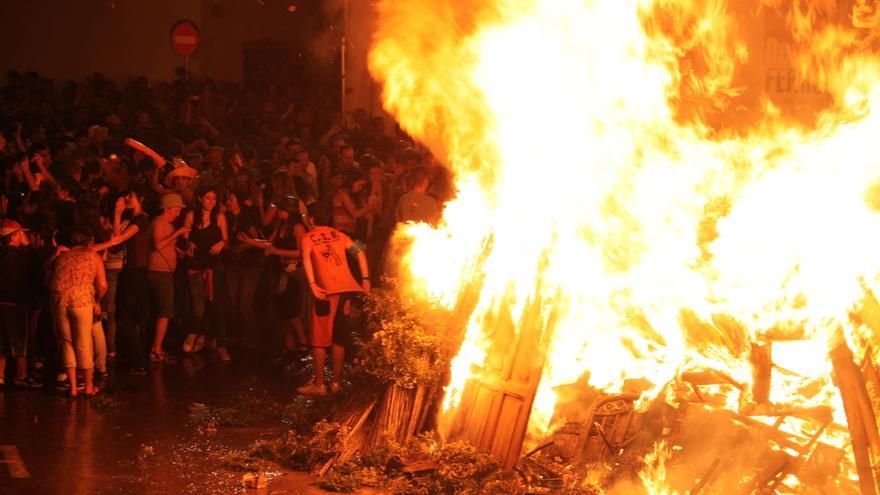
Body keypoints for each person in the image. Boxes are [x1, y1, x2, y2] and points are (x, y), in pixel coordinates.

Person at [299, 203, 370, 396]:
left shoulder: (307, 237)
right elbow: (361, 251)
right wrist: (365, 280)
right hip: (346, 290)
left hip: (325, 292)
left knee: (320, 340)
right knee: (339, 336)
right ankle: (336, 383)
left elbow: (306, 259)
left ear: (311, 219)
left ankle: (320, 384)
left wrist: (313, 285)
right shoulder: (340, 235)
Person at [49, 227, 107, 397]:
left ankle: (73, 388)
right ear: (89, 242)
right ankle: (88, 387)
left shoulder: (63, 257)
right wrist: (96, 300)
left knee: (67, 342)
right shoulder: (93, 256)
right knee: (83, 341)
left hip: (60, 300)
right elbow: (103, 285)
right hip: (81, 300)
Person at [182, 185, 230, 360]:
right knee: (198, 305)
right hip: (196, 265)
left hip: (214, 266)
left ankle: (219, 343)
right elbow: (184, 238)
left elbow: (227, 240)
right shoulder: (191, 216)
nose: (211, 202)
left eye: (214, 199)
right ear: (200, 198)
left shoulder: (220, 217)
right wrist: (189, 244)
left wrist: (222, 243)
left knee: (217, 305)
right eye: (208, 198)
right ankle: (196, 334)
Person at [147, 193, 189, 362]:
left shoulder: (166, 224)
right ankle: (156, 349)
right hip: (159, 273)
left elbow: (165, 245)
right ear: (168, 209)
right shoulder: (159, 223)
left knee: (164, 311)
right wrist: (178, 233)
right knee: (165, 311)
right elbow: (158, 245)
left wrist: (178, 251)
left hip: (164, 272)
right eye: (177, 210)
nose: (178, 213)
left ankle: (156, 347)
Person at [0, 219, 41, 388]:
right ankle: (21, 376)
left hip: (1, 302)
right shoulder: (18, 256)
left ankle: (0, 376)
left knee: (1, 341)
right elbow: (28, 276)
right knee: (19, 342)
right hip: (15, 303)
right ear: (15, 235)